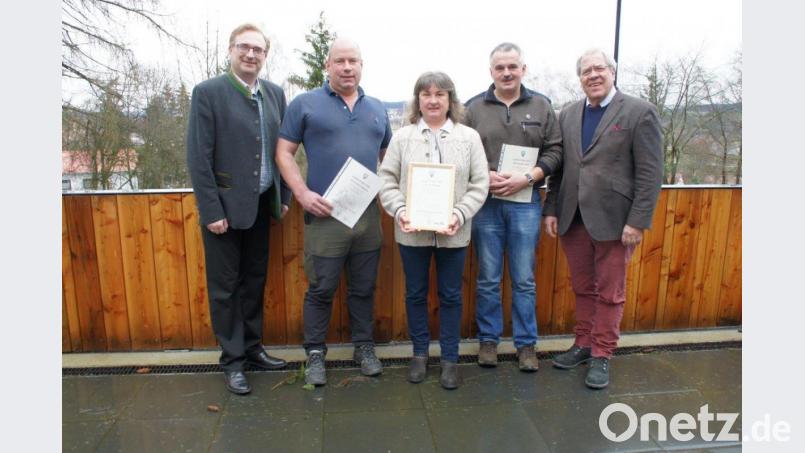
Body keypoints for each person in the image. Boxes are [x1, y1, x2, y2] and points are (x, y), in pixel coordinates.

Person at [275, 38, 392, 386]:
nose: (347, 67)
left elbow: (389, 158)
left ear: (361, 65)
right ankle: (314, 355)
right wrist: (302, 193)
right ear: (328, 66)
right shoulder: (305, 104)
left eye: (353, 61)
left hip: (368, 216)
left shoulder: (378, 108)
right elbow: (284, 152)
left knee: (364, 288)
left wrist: (394, 195)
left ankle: (364, 348)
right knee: (321, 288)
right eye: (339, 61)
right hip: (324, 215)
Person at [544, 49, 663, 389]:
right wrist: (551, 209)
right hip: (572, 217)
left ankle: (602, 353)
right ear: (579, 77)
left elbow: (651, 172)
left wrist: (638, 220)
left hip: (616, 221)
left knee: (611, 292)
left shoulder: (640, 112)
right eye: (585, 70)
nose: (593, 75)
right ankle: (582, 344)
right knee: (583, 287)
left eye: (599, 69)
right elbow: (562, 167)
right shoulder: (567, 114)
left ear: (612, 72)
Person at [186, 24, 289, 395]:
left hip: (262, 206)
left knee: (254, 282)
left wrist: (285, 198)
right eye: (244, 48)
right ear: (231, 50)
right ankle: (232, 362)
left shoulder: (276, 94)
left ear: (265, 55)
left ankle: (251, 348)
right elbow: (199, 158)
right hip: (224, 212)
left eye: (258, 50)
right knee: (224, 288)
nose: (251, 54)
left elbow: (285, 152)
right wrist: (211, 209)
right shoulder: (208, 93)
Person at [378, 72, 489, 389]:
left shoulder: (469, 138)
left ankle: (450, 359)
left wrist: (459, 213)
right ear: (418, 101)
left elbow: (479, 185)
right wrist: (400, 210)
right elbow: (387, 181)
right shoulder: (403, 137)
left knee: (451, 295)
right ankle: (419, 355)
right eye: (426, 94)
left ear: (451, 100)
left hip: (454, 232)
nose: (433, 100)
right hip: (411, 232)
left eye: (440, 94)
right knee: (414, 294)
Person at [463, 43, 562, 371]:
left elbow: (555, 152)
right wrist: (481, 175)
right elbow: (461, 151)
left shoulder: (542, 106)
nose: (507, 72)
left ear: (523, 69)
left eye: (512, 66)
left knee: (524, 278)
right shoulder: (472, 108)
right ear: (490, 71)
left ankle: (526, 346)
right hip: (486, 203)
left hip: (526, 202)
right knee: (488, 277)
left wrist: (529, 178)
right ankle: (488, 341)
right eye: (500, 67)